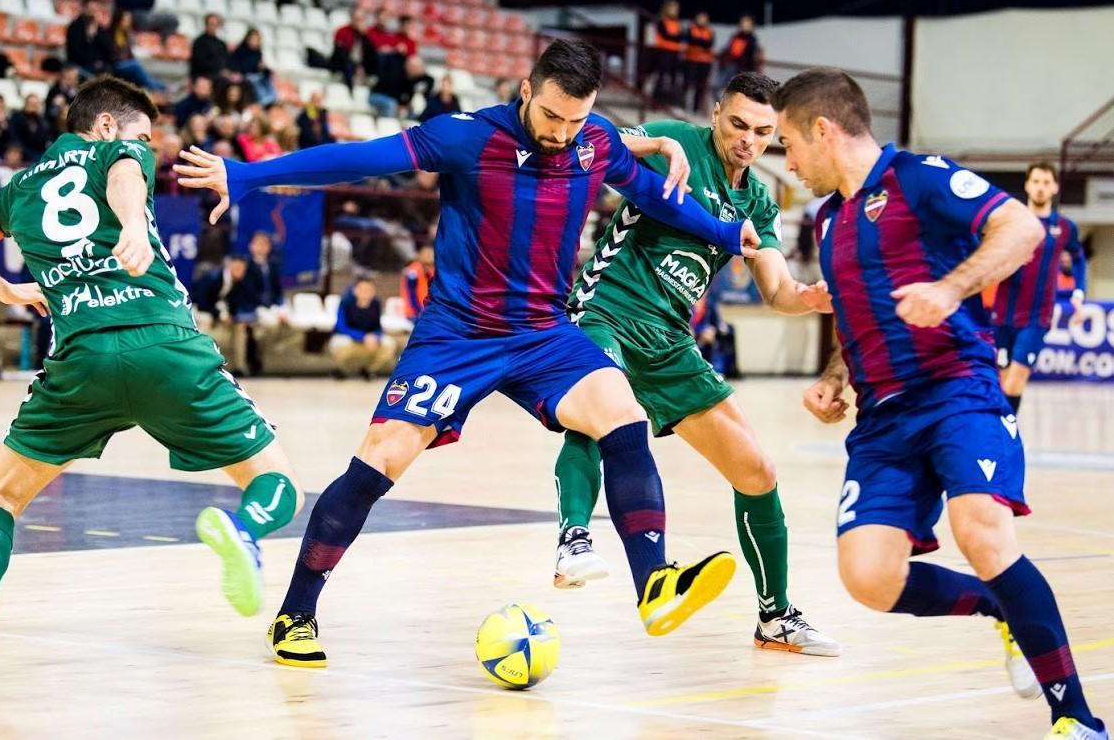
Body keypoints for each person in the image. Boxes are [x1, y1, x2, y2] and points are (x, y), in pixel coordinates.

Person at [175, 38, 761, 668]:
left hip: (543, 333)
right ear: (527, 93)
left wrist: (727, 232)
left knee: (624, 416)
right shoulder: (467, 137)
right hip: (458, 335)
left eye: (577, 119)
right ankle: (295, 614)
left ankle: (654, 583)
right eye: (552, 117)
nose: (564, 133)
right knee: (379, 464)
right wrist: (247, 174)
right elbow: (359, 159)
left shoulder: (594, 142)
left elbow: (653, 195)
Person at [0, 76, 303, 679]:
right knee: (276, 479)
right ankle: (243, 529)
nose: (148, 147)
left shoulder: (18, 191)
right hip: (167, 346)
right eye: (143, 135)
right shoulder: (119, 152)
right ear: (105, 125)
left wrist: (4, 291)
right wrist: (130, 225)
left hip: (81, 359)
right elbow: (126, 174)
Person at [775, 67, 1107, 740]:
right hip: (881, 421)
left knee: (979, 526)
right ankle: (1000, 606)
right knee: (867, 578)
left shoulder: (918, 178)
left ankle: (1075, 717)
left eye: (787, 143)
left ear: (821, 130)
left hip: (957, 390)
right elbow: (855, 313)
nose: (788, 161)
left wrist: (950, 291)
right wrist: (835, 376)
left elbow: (1020, 230)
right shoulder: (829, 219)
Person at [551, 73, 839, 655]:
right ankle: (573, 540)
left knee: (756, 471)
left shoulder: (758, 198)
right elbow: (594, 138)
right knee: (607, 413)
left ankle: (775, 617)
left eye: (763, 132)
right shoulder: (673, 139)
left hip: (670, 341)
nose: (748, 140)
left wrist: (810, 297)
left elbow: (776, 290)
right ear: (715, 114)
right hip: (605, 308)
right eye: (738, 125)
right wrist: (652, 145)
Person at [991, 162, 1086, 416]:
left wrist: (1079, 294)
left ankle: (1005, 435)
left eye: (1046, 182)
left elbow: (1078, 258)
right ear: (1027, 185)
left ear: (1054, 187)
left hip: (1037, 316)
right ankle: (999, 432)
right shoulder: (1010, 220)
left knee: (1016, 379)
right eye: (1036, 182)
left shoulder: (1064, 227)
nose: (1041, 188)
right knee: (1002, 380)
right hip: (1002, 314)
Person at [329, 276, 397, 377]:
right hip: (350, 337)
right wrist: (362, 336)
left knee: (389, 344)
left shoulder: (376, 303)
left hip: (369, 338)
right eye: (362, 289)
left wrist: (375, 336)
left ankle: (369, 370)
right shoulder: (345, 302)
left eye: (369, 290)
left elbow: (378, 327)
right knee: (341, 344)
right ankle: (339, 369)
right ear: (355, 290)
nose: (366, 292)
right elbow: (341, 327)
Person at [99, 9, 166, 92]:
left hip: (126, 64)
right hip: (115, 66)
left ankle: (164, 87)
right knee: (135, 66)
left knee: (138, 67)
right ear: (119, 20)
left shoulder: (125, 35)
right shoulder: (109, 35)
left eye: (129, 20)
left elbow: (129, 53)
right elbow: (111, 56)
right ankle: (156, 88)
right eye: (126, 20)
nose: (128, 23)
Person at [649, 0, 683, 105]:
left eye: (676, 8)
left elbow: (680, 37)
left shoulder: (678, 23)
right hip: (663, 52)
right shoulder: (661, 21)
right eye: (673, 8)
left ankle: (671, 102)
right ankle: (655, 102)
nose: (675, 10)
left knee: (674, 78)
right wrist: (675, 37)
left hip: (675, 53)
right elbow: (667, 35)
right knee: (661, 77)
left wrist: (675, 37)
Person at [231, 28, 275, 107]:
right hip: (245, 75)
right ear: (248, 39)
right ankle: (264, 101)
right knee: (255, 81)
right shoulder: (241, 50)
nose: (255, 42)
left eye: (257, 40)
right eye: (253, 39)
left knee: (268, 79)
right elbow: (240, 66)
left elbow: (261, 68)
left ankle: (272, 98)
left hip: (257, 75)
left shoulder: (258, 53)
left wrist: (267, 70)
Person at [717, 14, 760, 93]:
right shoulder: (735, 37)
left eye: (747, 24)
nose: (744, 25)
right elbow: (728, 51)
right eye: (743, 23)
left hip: (741, 72)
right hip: (728, 68)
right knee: (716, 87)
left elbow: (752, 60)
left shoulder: (752, 40)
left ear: (752, 26)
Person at [683, 11, 715, 114]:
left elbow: (709, 44)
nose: (702, 20)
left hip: (705, 62)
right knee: (688, 83)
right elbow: (691, 41)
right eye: (700, 17)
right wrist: (701, 42)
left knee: (700, 86)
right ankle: (684, 105)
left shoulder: (710, 31)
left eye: (704, 18)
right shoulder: (690, 29)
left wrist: (698, 41)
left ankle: (695, 108)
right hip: (691, 60)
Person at [65, 0, 104, 77]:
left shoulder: (98, 28)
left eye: (94, 10)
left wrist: (96, 34)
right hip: (77, 65)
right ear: (83, 9)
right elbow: (76, 52)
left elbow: (107, 48)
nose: (92, 13)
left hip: (96, 65)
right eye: (90, 9)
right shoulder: (74, 27)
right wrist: (89, 37)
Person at [399, 243, 433, 320]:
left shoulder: (433, 270)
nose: (429, 256)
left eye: (431, 254)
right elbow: (411, 293)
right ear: (419, 255)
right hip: (414, 313)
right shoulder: (413, 270)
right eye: (426, 253)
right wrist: (419, 311)